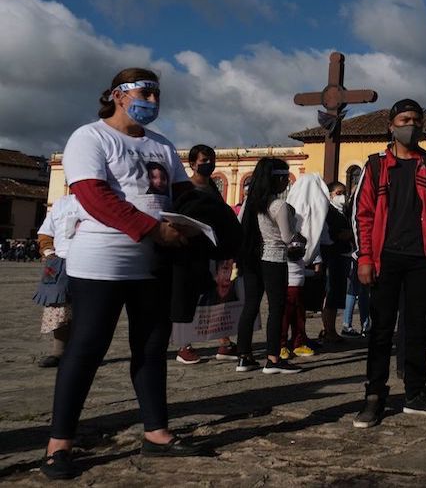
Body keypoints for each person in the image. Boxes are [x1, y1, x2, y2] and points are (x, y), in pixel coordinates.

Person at [42, 68, 207, 480]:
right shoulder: (90, 137)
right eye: (144, 92)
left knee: (151, 349)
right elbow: (93, 196)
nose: (152, 100)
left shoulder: (163, 145)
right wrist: (153, 229)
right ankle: (58, 444)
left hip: (153, 263)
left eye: (156, 94)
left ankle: (156, 433)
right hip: (102, 261)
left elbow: (182, 193)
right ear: (118, 95)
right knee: (87, 347)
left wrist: (202, 220)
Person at [353, 99, 426, 427]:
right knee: (380, 331)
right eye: (404, 119)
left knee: (417, 330)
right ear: (391, 125)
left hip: (422, 258)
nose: (410, 125)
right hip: (385, 260)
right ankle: (374, 396)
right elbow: (363, 214)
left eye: (416, 119)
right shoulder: (374, 167)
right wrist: (364, 258)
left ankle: (416, 395)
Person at [235, 157, 301, 375]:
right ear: (279, 179)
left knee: (251, 306)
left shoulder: (251, 203)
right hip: (274, 258)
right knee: (276, 307)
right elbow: (287, 237)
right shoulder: (278, 205)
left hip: (253, 258)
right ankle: (273, 357)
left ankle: (244, 356)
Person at [175, 144, 236, 364]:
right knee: (191, 298)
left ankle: (224, 342)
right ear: (192, 164)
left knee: (219, 296)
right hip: (193, 251)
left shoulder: (212, 188)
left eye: (211, 160)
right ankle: (184, 345)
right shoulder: (186, 188)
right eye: (204, 160)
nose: (208, 164)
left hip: (216, 249)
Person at [33, 194, 81, 368]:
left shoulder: (101, 199)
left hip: (90, 262)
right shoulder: (61, 203)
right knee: (57, 308)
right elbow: (45, 233)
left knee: (84, 309)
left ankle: (80, 352)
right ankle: (58, 352)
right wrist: (48, 252)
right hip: (60, 261)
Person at [320, 181, 355, 345]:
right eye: (339, 193)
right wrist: (349, 234)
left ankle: (331, 329)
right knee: (332, 293)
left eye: (344, 193)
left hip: (344, 254)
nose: (342, 196)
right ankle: (329, 330)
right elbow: (334, 234)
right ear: (330, 194)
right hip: (334, 254)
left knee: (338, 293)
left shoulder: (345, 212)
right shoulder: (329, 212)